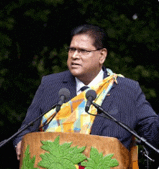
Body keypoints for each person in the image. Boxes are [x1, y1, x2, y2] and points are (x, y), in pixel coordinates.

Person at [13, 23, 159, 162]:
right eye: (72, 50)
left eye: (83, 51)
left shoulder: (127, 90)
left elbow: (151, 132)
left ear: (102, 55)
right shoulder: (50, 85)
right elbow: (25, 130)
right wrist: (20, 142)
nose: (74, 56)